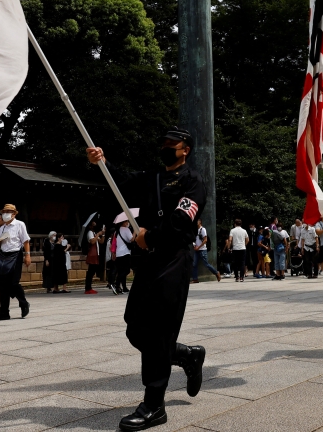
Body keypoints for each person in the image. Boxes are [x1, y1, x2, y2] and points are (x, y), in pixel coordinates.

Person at [86, 125, 208, 431]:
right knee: (135, 328)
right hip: (150, 259)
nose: (166, 147)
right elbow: (122, 180)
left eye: (172, 144)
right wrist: (102, 161)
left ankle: (154, 405)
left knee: (158, 330)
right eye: (163, 142)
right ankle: (186, 355)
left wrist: (149, 236)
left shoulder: (192, 181)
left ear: (185, 150)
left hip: (173, 258)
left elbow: (181, 221)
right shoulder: (152, 177)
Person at [0, 204, 31, 321]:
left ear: (13, 214)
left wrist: (27, 255)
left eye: (8, 212)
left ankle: (23, 303)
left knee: (13, 282)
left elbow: (25, 240)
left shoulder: (19, 224)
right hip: (3, 256)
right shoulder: (2, 228)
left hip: (16, 254)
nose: (5, 214)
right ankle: (4, 312)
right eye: (4, 212)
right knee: (2, 285)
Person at [192, 217, 221, 283]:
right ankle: (195, 278)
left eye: (197, 221)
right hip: (197, 250)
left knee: (206, 264)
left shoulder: (203, 229)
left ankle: (216, 272)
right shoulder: (195, 230)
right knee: (194, 264)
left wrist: (199, 247)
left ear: (200, 222)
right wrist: (194, 246)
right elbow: (194, 239)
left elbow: (205, 240)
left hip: (202, 249)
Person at [83, 218, 106, 294]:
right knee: (90, 271)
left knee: (92, 271)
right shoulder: (90, 232)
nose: (95, 225)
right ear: (90, 226)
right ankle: (88, 288)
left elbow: (101, 241)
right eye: (93, 224)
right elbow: (92, 241)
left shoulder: (94, 233)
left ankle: (89, 287)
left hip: (96, 253)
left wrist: (103, 234)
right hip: (92, 254)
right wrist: (98, 234)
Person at [113, 219, 134, 293]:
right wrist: (135, 232)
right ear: (123, 222)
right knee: (127, 270)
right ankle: (117, 283)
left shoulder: (116, 231)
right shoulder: (126, 229)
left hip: (118, 253)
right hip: (125, 252)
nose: (128, 223)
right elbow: (131, 239)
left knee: (121, 271)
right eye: (127, 221)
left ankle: (123, 287)